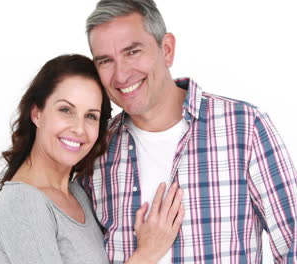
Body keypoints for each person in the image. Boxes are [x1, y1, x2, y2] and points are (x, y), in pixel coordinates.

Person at [78, 0, 297, 263]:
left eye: (133, 52)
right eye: (105, 61)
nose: (121, 74)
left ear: (167, 49)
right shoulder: (94, 148)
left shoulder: (245, 128)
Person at [0, 54, 185, 264]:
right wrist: (146, 254)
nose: (79, 128)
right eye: (66, 110)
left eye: (91, 116)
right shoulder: (23, 202)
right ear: (37, 113)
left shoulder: (78, 193)